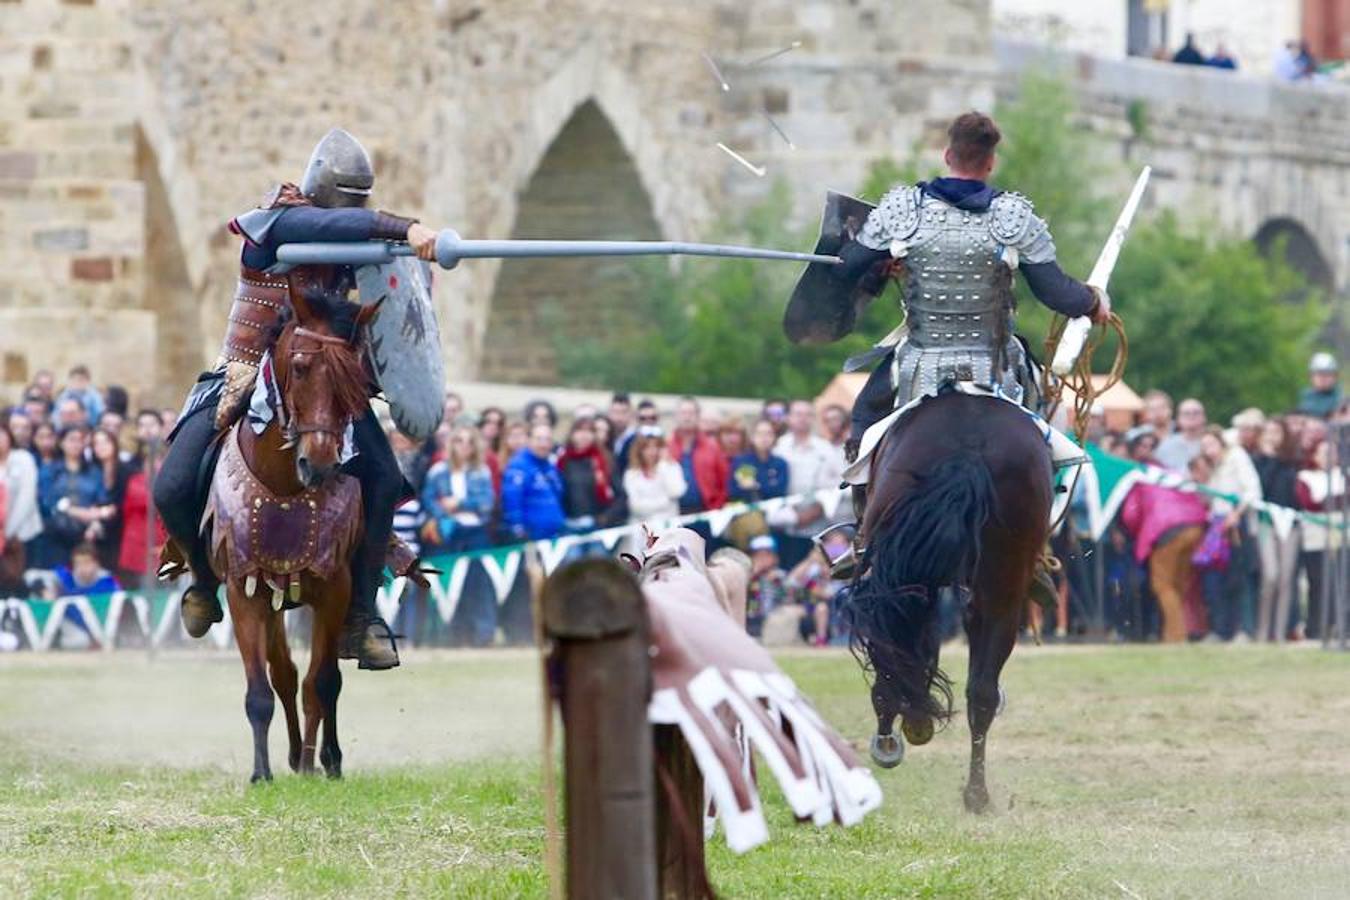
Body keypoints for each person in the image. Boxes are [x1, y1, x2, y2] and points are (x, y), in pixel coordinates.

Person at [151, 128, 438, 670]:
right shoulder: (278, 219)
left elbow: (394, 284)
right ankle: (205, 584)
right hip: (246, 371)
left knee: (381, 481)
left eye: (359, 201)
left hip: (320, 381)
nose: (350, 208)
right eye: (346, 197)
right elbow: (326, 224)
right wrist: (408, 226)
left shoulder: (351, 241)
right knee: (172, 484)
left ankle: (362, 614)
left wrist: (422, 254)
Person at [831, 111, 1108, 592]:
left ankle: (862, 542)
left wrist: (885, 266)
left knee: (863, 420)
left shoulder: (902, 209)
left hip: (917, 362)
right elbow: (1059, 294)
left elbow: (846, 269)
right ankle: (1034, 552)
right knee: (1045, 431)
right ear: (991, 162)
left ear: (947, 155)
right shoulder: (1014, 217)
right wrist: (1094, 302)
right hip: (998, 368)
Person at [420, 425, 497, 645]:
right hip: (448, 531)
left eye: (469, 442)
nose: (464, 446)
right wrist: (444, 511)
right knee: (447, 581)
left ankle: (482, 636)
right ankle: (447, 636)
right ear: (451, 444)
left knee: (478, 583)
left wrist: (459, 503)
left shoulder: (481, 471)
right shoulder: (438, 471)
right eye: (459, 441)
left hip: (475, 533)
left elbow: (487, 503)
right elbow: (428, 499)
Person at [1119, 476, 1210, 643]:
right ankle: (1173, 633)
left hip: (1166, 532)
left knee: (1162, 586)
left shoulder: (1139, 481)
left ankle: (1177, 637)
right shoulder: (1167, 475)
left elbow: (1130, 515)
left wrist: (1133, 533)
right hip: (1195, 526)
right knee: (1178, 585)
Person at [1195, 427, 1262, 640]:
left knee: (1240, 578)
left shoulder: (1237, 457)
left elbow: (1251, 490)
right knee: (1218, 580)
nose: (1208, 450)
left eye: (1211, 444)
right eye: (1204, 446)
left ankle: (1245, 629)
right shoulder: (1214, 468)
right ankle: (1221, 629)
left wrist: (1237, 514)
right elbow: (1212, 500)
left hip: (1237, 525)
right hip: (1218, 526)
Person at [1251, 416, 1301, 642]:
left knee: (1286, 578)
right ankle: (1262, 630)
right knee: (1270, 575)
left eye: (1276, 432)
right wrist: (1270, 458)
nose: (1272, 436)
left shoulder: (1293, 461)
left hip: (1290, 524)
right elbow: (1261, 488)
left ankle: (1280, 633)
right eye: (1268, 431)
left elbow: (1295, 493)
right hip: (1267, 523)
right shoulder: (1258, 461)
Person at [36, 426, 112, 570]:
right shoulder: (51, 470)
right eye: (71, 440)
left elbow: (101, 500)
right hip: (55, 535)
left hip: (85, 536)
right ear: (62, 443)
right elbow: (46, 501)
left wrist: (94, 522)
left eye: (80, 440)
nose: (76, 444)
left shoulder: (94, 471)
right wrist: (73, 511)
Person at [1295, 439, 1344, 639]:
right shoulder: (1305, 476)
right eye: (1323, 452)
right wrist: (1334, 500)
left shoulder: (1343, 475)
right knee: (1318, 583)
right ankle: (1316, 628)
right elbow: (1309, 503)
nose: (1328, 457)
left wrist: (1325, 501)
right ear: (1314, 455)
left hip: (1342, 536)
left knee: (1342, 582)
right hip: (1315, 538)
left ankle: (1342, 626)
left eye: (1331, 452)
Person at [501, 423, 566, 541]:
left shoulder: (551, 467)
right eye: (539, 439)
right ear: (529, 441)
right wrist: (518, 529)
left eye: (548, 439)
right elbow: (512, 500)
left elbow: (558, 495)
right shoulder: (518, 466)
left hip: (555, 535)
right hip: (531, 537)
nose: (543, 444)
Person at [667, 396, 729, 514]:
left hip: (706, 512)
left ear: (698, 416)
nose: (687, 417)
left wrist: (716, 507)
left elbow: (724, 481)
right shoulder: (666, 447)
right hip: (673, 513)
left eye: (691, 413)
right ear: (676, 416)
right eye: (683, 413)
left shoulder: (713, 448)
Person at [0, 423, 41, 594]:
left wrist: (9, 531)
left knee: (22, 580)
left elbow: (27, 496)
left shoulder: (23, 458)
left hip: (23, 532)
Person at [556, 417, 617, 533]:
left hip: (599, 526)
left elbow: (619, 495)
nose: (584, 435)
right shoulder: (563, 461)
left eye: (589, 431)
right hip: (571, 526)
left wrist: (604, 518)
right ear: (572, 434)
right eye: (579, 431)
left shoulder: (605, 460)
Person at [90, 427, 132, 571]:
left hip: (121, 531)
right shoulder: (92, 471)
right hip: (96, 532)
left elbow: (126, 500)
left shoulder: (126, 470)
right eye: (96, 443)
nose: (101, 446)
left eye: (105, 441)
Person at [623, 428, 686, 524]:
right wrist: (664, 502)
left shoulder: (671, 467)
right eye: (647, 447)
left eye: (657, 446)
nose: (652, 451)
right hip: (643, 529)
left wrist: (664, 465)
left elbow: (676, 492)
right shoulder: (632, 474)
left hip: (669, 525)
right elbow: (635, 506)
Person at [728, 419, 790, 504]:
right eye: (759, 434)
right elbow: (733, 491)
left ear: (775, 437)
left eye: (769, 434)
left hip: (774, 511)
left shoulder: (781, 463)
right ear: (752, 437)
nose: (764, 438)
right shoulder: (741, 461)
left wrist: (755, 486)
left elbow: (779, 491)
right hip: (747, 511)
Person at [1155, 398, 1207, 472]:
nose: (1191, 417)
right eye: (1186, 414)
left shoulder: (1212, 444)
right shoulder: (1166, 446)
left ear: (1204, 417)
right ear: (1178, 419)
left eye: (1196, 413)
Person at [1297, 353, 1342, 420]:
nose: (1323, 378)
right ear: (1311, 376)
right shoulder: (1304, 399)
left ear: (1335, 377)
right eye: (1319, 374)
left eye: (1327, 374)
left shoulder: (1341, 401)